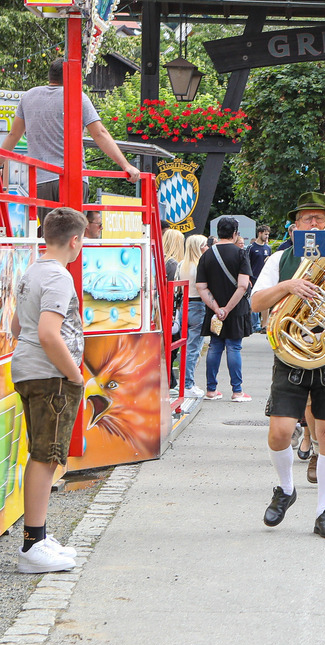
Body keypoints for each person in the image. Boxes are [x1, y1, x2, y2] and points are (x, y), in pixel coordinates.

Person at [250, 192, 325, 538]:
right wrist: (287, 285)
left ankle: (324, 511)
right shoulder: (280, 259)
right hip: (291, 353)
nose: (314, 224)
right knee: (280, 432)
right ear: (295, 226)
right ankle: (286, 488)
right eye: (307, 219)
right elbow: (255, 303)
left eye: (320, 219)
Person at [11, 207, 87, 573]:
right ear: (75, 240)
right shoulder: (59, 277)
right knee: (45, 457)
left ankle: (38, 535)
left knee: (41, 455)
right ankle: (32, 544)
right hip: (50, 375)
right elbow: (47, 333)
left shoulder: (32, 271)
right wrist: (75, 376)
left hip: (29, 369)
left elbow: (16, 325)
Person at [0, 59, 140, 223]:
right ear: (74, 76)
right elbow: (100, 133)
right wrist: (126, 165)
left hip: (40, 180)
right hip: (72, 180)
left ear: (50, 75)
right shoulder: (78, 97)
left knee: (49, 236)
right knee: (73, 234)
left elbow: (13, 135)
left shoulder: (29, 96)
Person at [195, 217, 253, 402]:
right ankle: (237, 391)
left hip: (214, 311)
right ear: (235, 233)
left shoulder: (207, 255)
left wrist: (217, 308)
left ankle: (211, 390)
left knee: (215, 346)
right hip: (236, 310)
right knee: (234, 347)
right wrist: (228, 308)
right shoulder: (240, 254)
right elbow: (243, 286)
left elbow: (201, 286)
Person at [177, 235, 208, 398]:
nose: (207, 248)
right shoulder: (200, 265)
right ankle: (188, 383)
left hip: (184, 305)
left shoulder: (182, 265)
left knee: (184, 345)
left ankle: (183, 383)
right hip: (198, 305)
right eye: (204, 245)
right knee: (193, 347)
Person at [163, 229, 186, 391]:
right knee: (172, 348)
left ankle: (170, 379)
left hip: (163, 311)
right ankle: (169, 380)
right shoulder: (173, 264)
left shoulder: (162, 261)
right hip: (171, 313)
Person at [246, 225, 273, 332]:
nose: (267, 236)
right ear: (260, 233)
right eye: (265, 234)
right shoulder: (251, 248)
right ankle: (251, 324)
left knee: (265, 301)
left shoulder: (268, 248)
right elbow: (246, 263)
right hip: (253, 277)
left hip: (264, 278)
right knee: (251, 301)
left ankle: (264, 325)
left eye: (268, 234)